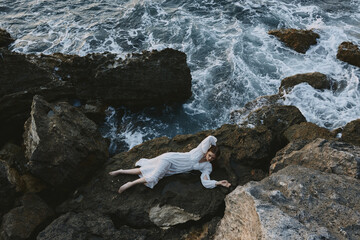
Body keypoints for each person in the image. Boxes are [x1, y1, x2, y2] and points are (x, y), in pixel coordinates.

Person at [109, 135, 231, 194]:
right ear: (208, 150)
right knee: (152, 177)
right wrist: (214, 144)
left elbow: (205, 181)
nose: (209, 158)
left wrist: (218, 183)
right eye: (209, 155)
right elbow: (209, 137)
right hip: (170, 158)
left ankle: (121, 171)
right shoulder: (201, 151)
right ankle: (130, 184)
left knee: (146, 169)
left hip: (172, 169)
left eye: (212, 158)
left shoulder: (207, 166)